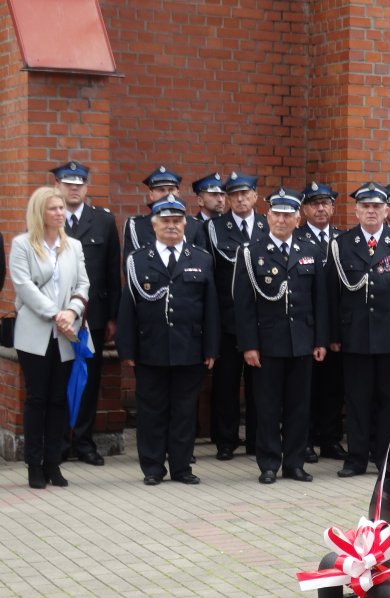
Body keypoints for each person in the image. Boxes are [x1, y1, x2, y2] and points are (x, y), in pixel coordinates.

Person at [116, 195, 219, 486]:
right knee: (151, 410)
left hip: (190, 348)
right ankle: (152, 467)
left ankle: (182, 467)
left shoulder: (201, 258)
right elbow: (128, 308)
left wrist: (211, 347)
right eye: (166, 221)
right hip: (151, 348)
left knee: (185, 411)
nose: (172, 226)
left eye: (177, 221)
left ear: (186, 224)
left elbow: (210, 307)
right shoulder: (137, 260)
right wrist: (127, 349)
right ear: (154, 225)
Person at [327, 182, 390, 478]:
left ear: (386, 210)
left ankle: (385, 458)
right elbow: (332, 295)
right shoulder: (342, 244)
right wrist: (333, 335)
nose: (371, 211)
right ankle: (356, 458)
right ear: (356, 211)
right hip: (355, 336)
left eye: (376, 206)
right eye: (365, 206)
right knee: (357, 400)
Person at [234, 188, 328, 484]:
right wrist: (249, 345)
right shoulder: (251, 253)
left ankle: (295, 462)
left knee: (299, 407)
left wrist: (320, 340)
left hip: (301, 341)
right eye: (277, 214)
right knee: (268, 407)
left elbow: (320, 300)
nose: (282, 219)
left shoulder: (310, 251)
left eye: (288, 215)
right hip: (268, 343)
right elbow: (244, 304)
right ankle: (269, 464)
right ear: (268, 216)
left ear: (298, 219)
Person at [10, 187, 92, 489]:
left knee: (59, 399)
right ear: (39, 212)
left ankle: (53, 463)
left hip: (66, 333)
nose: (60, 213)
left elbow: (83, 283)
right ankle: (34, 465)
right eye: (53, 208)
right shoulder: (22, 245)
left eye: (61, 208)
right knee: (37, 398)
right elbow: (24, 286)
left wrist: (71, 312)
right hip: (35, 333)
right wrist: (55, 314)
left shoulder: (74, 246)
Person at [53, 161, 121, 466]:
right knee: (58, 379)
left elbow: (111, 272)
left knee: (88, 381)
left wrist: (112, 317)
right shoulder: (48, 219)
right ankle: (58, 442)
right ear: (58, 186)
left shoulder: (103, 221)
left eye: (79, 184)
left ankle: (83, 442)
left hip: (91, 317)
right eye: (68, 184)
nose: (74, 189)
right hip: (55, 318)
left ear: (86, 188)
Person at [204, 172, 268, 460]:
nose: (240, 199)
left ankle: (257, 438)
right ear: (227, 199)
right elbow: (210, 275)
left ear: (255, 196)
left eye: (246, 193)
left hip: (263, 320)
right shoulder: (215, 228)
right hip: (228, 319)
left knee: (260, 385)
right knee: (226, 383)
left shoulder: (270, 225)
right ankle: (226, 440)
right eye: (234, 195)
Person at [295, 181, 346, 462]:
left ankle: (330, 439)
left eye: (325, 203)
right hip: (308, 326)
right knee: (307, 389)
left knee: (333, 388)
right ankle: (306, 440)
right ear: (304, 209)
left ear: (333, 207)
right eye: (315, 204)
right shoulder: (298, 238)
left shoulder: (342, 239)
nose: (321, 208)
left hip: (337, 328)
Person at [123, 167, 204, 258]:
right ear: (151, 195)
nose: (167, 194)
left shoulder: (195, 225)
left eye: (171, 189)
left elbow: (202, 262)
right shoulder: (136, 226)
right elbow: (131, 263)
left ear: (178, 193)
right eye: (161, 190)